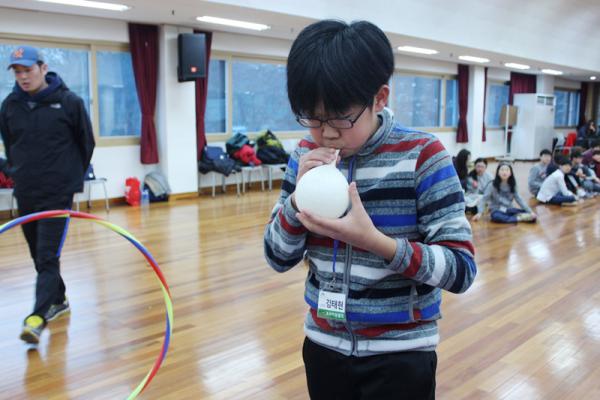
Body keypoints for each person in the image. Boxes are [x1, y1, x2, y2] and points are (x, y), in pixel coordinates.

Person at [264, 20, 476, 400]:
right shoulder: (304, 156)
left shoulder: (422, 156)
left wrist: (376, 242)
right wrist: (296, 202)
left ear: (379, 98)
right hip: (323, 346)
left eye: (341, 116)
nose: (327, 132)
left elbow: (461, 270)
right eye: (312, 116)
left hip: (400, 355)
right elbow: (277, 257)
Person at [0, 45, 95, 344]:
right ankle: (59, 299)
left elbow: (86, 143)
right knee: (38, 255)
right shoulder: (10, 105)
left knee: (46, 255)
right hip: (26, 190)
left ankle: (37, 318)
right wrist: (16, 171)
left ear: (43, 68)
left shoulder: (69, 103)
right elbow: (10, 143)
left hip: (57, 193)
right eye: (17, 72)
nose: (23, 77)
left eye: (28, 70)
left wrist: (68, 178)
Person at [472, 163, 537, 223]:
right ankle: (519, 218)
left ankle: (515, 217)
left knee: (530, 213)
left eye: (507, 170)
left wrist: (530, 212)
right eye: (502, 170)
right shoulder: (492, 185)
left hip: (509, 209)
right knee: (496, 216)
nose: (504, 172)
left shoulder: (513, 185)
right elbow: (484, 199)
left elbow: (519, 199)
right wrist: (479, 213)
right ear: (498, 172)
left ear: (510, 173)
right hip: (497, 210)